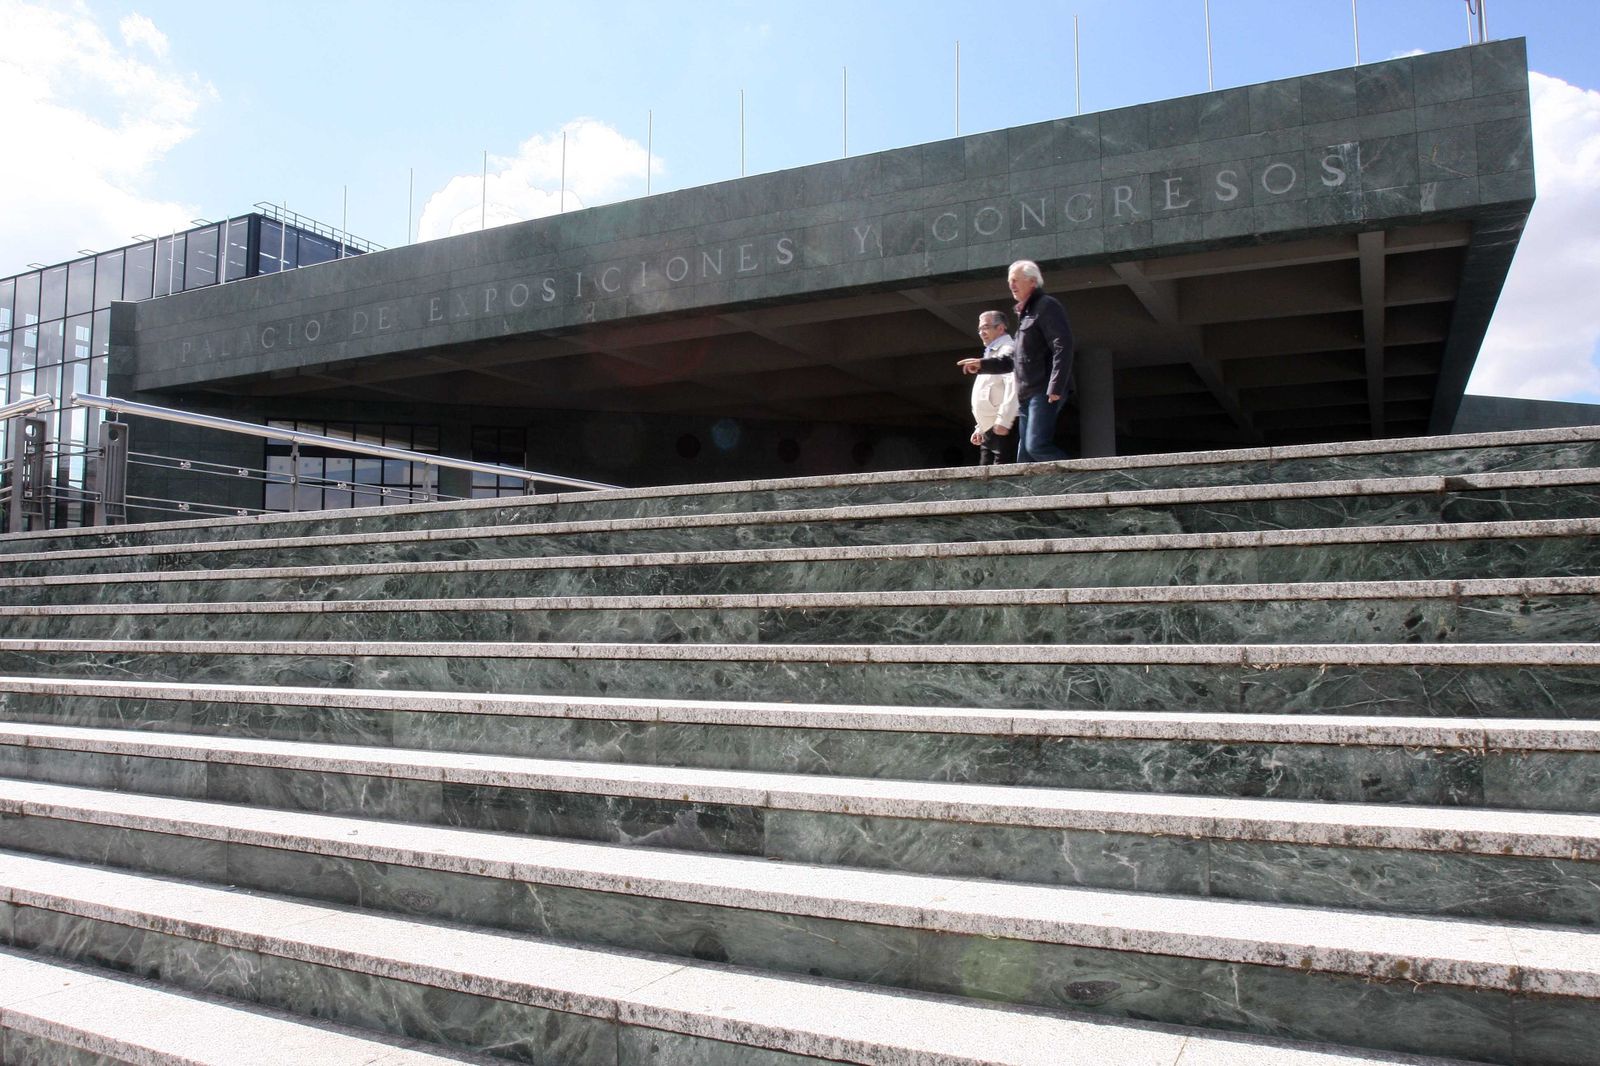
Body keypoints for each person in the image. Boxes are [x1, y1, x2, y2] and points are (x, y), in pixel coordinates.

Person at [958, 259, 1073, 463]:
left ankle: (1080, 480)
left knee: (1036, 445)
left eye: (1015, 280)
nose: (1011, 284)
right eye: (1009, 280)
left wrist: (1056, 386)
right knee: (1024, 458)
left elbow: (1062, 346)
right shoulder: (1026, 314)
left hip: (1044, 390)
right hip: (1027, 395)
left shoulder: (1046, 306)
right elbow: (1014, 359)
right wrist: (982, 364)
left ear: (1031, 282)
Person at [964, 310, 1018, 465]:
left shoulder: (1007, 349)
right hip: (990, 429)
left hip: (1003, 427)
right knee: (986, 479)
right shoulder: (991, 352)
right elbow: (991, 391)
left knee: (1002, 478)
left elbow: (1014, 386)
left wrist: (1004, 420)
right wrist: (980, 427)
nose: (981, 333)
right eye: (980, 329)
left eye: (986, 327)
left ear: (1000, 328)